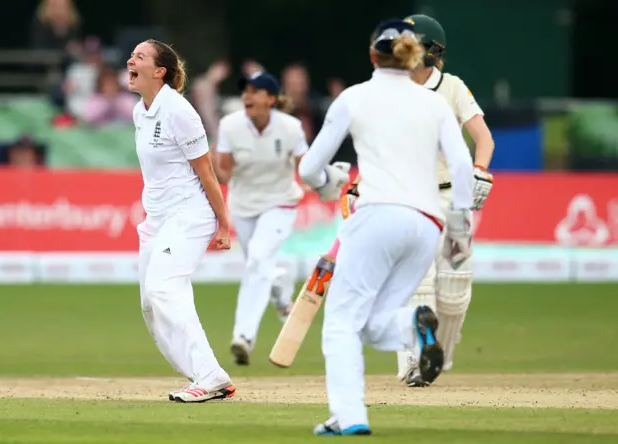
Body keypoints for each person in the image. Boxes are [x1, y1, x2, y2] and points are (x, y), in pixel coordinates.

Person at [298, 18, 474, 435]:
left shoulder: (354, 98)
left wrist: (331, 183)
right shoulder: (432, 103)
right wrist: (460, 225)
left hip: (377, 214)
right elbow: (463, 164)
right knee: (373, 323)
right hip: (427, 223)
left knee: (340, 323)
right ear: (413, 55)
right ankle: (414, 322)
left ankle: (350, 416)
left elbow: (308, 169)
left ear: (372, 54)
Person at [127, 39, 235, 402]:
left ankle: (210, 375)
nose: (131, 60)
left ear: (160, 72)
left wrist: (223, 224)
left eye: (139, 56)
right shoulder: (139, 112)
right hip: (156, 219)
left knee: (163, 288)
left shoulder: (180, 112)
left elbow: (207, 174)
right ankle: (201, 375)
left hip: (190, 213)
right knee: (149, 303)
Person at [392, 14, 495, 387]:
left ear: (431, 51)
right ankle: (416, 360)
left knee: (455, 292)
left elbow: (484, 138)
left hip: (454, 200)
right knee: (417, 283)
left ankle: (438, 360)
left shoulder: (452, 87)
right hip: (410, 200)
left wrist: (480, 169)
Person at [215, 71, 312, 365]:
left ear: (270, 99)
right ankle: (282, 292)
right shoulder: (230, 126)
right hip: (243, 205)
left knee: (258, 259)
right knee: (259, 265)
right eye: (245, 90)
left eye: (255, 91)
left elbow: (305, 166)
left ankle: (243, 337)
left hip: (281, 202)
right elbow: (223, 171)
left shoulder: (291, 127)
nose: (247, 95)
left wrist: (322, 181)